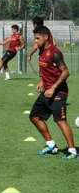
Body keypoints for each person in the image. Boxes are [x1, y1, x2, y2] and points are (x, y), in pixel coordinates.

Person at [28, 26, 76, 159]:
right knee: (34, 117)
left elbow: (66, 72)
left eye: (37, 38)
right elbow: (46, 70)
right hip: (47, 91)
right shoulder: (41, 51)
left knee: (60, 121)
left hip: (59, 92)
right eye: (35, 38)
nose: (35, 41)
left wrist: (53, 88)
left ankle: (72, 151)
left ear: (46, 37)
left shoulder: (55, 53)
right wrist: (42, 81)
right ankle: (51, 145)